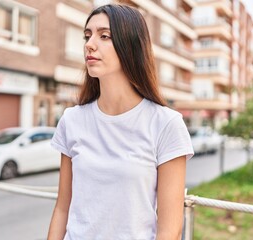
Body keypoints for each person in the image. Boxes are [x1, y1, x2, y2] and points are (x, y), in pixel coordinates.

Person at [48, 3, 194, 240]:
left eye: (104, 36)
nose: (89, 44)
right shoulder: (71, 120)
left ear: (130, 45)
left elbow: (170, 231)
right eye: (88, 35)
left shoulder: (166, 124)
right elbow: (63, 208)